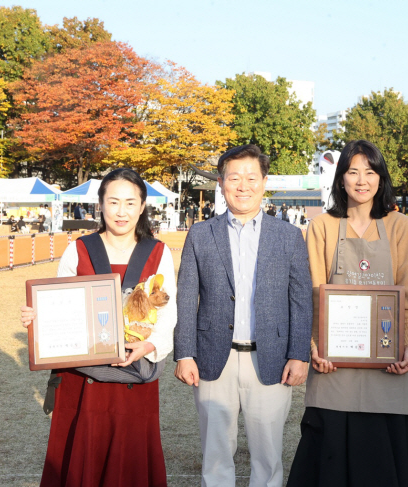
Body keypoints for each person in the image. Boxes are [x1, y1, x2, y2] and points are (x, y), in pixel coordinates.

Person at [287, 140, 408, 487]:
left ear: (381, 178)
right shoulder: (322, 226)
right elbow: (314, 290)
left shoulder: (399, 225)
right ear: (340, 179)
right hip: (334, 360)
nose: (362, 180)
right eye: (353, 171)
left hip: (390, 356)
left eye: (370, 171)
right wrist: (315, 345)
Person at [19, 168, 176, 486]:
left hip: (135, 374)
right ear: (100, 204)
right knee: (82, 461)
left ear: (143, 206)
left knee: (128, 461)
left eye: (130, 203)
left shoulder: (158, 253)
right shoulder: (78, 249)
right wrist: (37, 317)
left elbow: (169, 313)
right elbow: (58, 304)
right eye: (114, 201)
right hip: (82, 380)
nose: (122, 211)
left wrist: (147, 346)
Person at [174, 144, 312, 487]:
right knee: (215, 454)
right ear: (221, 182)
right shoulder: (200, 234)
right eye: (234, 177)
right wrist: (185, 353)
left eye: (252, 177)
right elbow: (187, 297)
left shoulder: (289, 236)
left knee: (268, 457)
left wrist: (299, 354)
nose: (243, 185)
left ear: (264, 182)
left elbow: (300, 299)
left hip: (272, 358)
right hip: (212, 358)